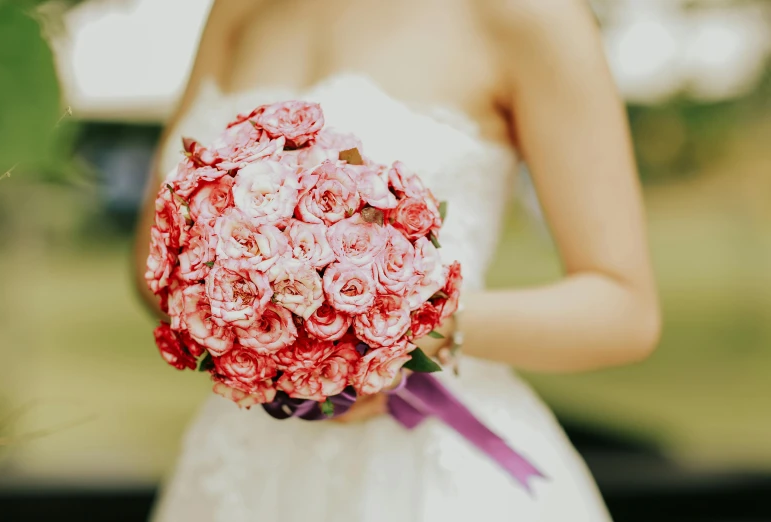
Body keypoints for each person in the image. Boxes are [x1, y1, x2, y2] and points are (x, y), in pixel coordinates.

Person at [134, 0, 661, 520]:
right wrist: (264, 335)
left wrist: (398, 335)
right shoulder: (236, 8)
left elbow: (624, 307)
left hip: (430, 469)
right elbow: (151, 264)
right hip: (242, 460)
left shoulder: (528, 14)